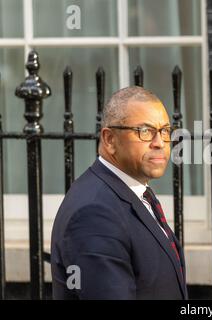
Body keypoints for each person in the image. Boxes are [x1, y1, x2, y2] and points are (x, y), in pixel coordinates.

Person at [51, 86, 187, 299]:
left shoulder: (133, 193)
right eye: (145, 131)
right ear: (109, 140)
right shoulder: (94, 213)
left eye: (165, 131)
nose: (159, 143)